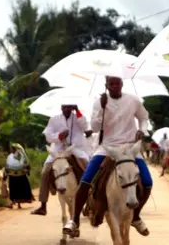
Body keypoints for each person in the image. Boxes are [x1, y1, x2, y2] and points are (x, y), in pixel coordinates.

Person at [63, 76, 153, 237]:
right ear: (107, 86)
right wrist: (102, 109)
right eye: (111, 84)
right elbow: (96, 127)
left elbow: (144, 117)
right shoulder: (99, 103)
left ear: (121, 84)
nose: (114, 86)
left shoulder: (133, 100)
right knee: (85, 180)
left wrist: (142, 130)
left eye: (117, 83)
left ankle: (136, 216)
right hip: (107, 148)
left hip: (130, 148)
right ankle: (74, 220)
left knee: (147, 182)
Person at [31, 104, 90, 216]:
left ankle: (90, 201)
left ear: (72, 107)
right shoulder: (54, 119)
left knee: (88, 167)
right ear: (61, 107)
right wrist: (59, 136)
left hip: (75, 149)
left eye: (69, 107)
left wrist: (77, 111)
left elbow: (84, 126)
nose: (67, 109)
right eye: (65, 107)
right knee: (45, 171)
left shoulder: (78, 117)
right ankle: (43, 205)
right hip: (57, 150)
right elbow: (48, 136)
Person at [4, 143, 34, 209]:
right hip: (12, 176)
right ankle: (15, 203)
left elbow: (27, 164)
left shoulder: (22, 156)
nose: (13, 149)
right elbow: (6, 166)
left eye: (14, 148)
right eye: (12, 148)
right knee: (14, 190)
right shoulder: (10, 156)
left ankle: (19, 203)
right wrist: (5, 174)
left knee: (21, 189)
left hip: (21, 175)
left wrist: (27, 170)